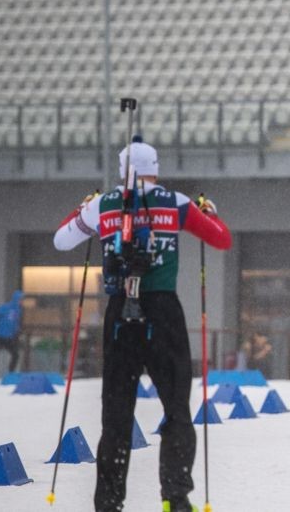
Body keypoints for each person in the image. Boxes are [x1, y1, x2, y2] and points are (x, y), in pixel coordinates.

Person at [53, 138, 232, 512]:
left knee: (116, 415)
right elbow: (221, 239)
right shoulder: (177, 203)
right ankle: (175, 496)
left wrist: (82, 209)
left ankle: (109, 502)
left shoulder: (103, 205)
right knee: (177, 409)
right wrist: (209, 211)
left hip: (120, 313)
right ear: (156, 167)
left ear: (121, 170)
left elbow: (61, 241)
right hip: (163, 310)